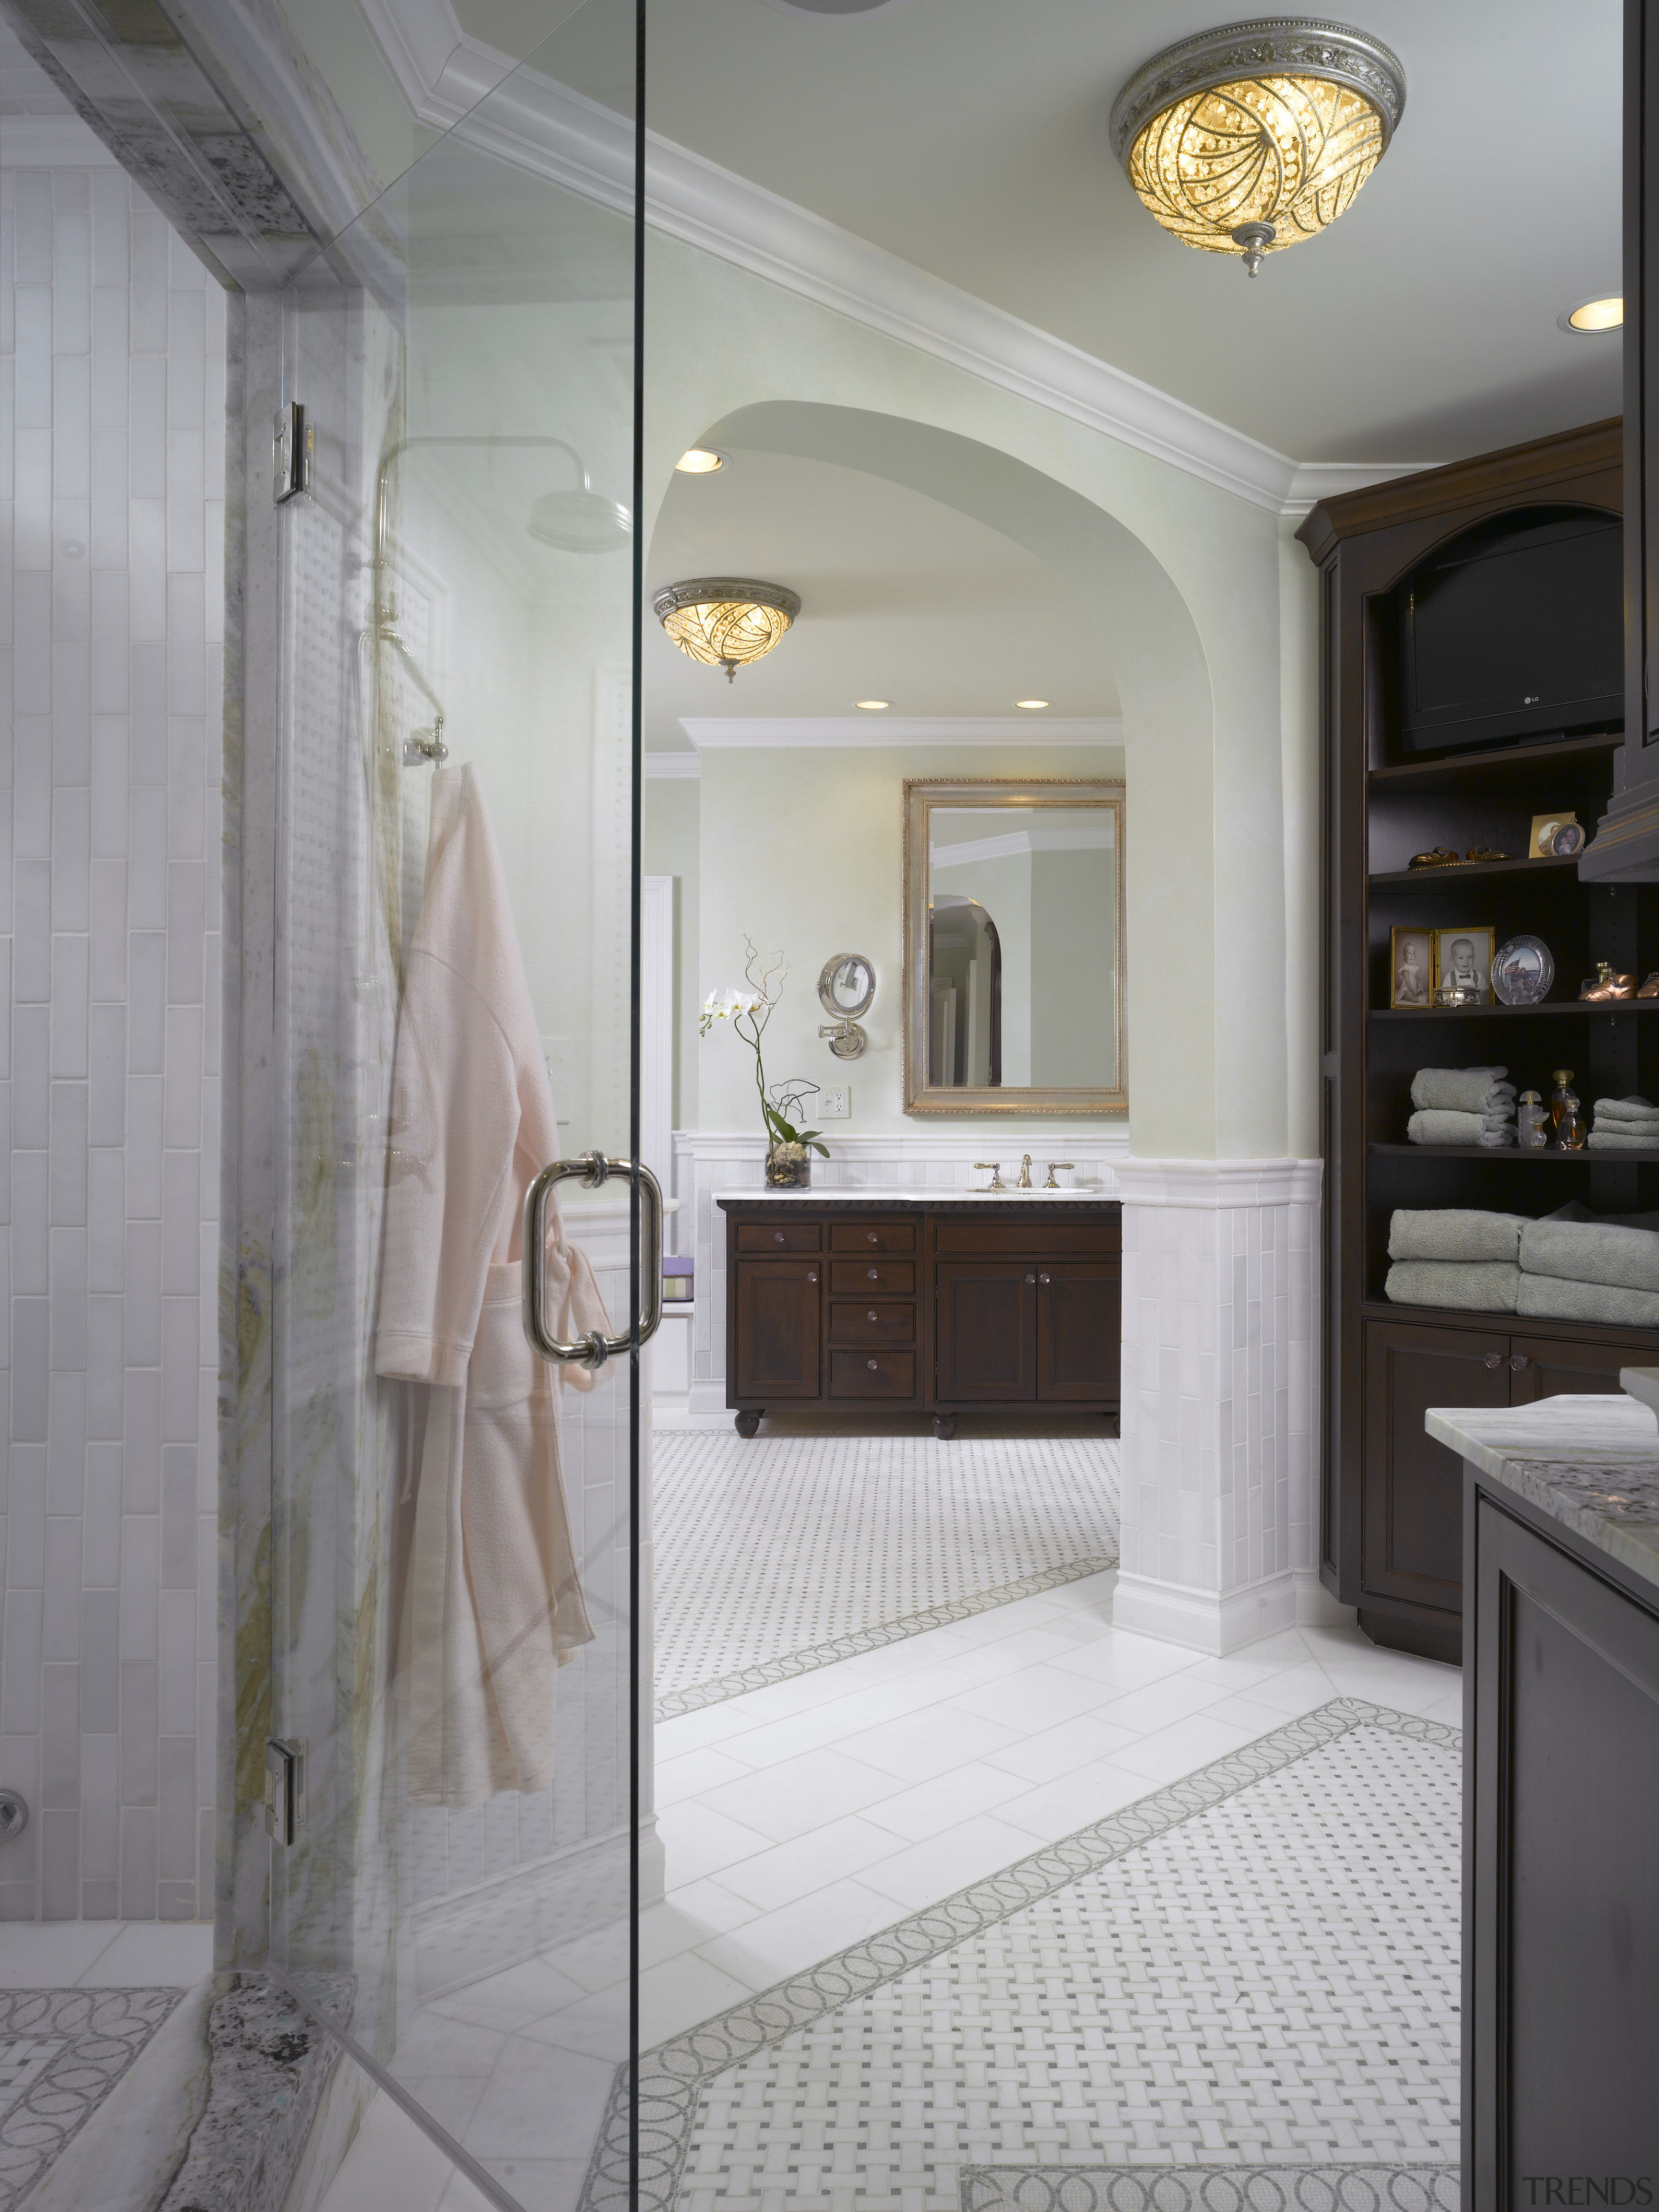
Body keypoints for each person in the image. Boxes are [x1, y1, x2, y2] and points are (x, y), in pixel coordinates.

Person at [1395, 939, 1428, 1005]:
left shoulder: (1415, 968)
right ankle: (1419, 1000)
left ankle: (1421, 997)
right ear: (1405, 956)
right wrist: (1413, 991)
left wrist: (1419, 986)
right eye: (1409, 953)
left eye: (1413, 953)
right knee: (1411, 996)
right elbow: (1408, 982)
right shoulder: (1405, 969)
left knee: (1419, 992)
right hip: (1406, 990)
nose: (1411, 955)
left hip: (1413, 989)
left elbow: (1415, 979)